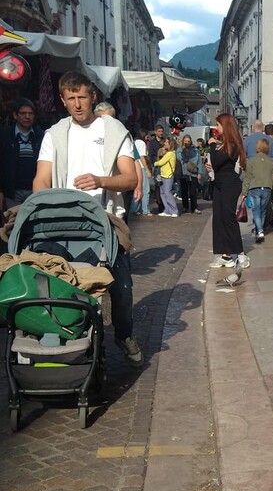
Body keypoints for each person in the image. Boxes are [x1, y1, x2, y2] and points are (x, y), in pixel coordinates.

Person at [32, 70, 144, 368]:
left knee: (121, 288)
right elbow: (41, 179)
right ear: (62, 100)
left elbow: (130, 178)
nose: (78, 104)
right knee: (73, 288)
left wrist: (100, 180)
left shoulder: (113, 130)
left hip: (107, 222)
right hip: (65, 224)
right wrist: (46, 202)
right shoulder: (54, 134)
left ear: (93, 96)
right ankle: (85, 344)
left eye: (82, 97)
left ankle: (124, 335)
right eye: (71, 99)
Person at [206, 113, 249, 269]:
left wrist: (212, 145)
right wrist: (209, 166)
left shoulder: (232, 144)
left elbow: (217, 160)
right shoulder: (223, 143)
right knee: (219, 219)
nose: (216, 128)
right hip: (219, 184)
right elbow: (216, 163)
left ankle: (241, 254)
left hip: (229, 185)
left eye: (218, 125)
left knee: (229, 218)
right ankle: (225, 255)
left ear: (225, 126)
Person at [94, 102, 143, 215]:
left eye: (109, 118)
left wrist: (139, 186)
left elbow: (136, 162)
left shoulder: (122, 137)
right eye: (102, 118)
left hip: (118, 189)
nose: (106, 121)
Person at [0, 98, 44, 211]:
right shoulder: (5, 135)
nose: (27, 116)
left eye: (30, 113)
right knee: (13, 219)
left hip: (35, 190)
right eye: (23, 113)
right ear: (15, 115)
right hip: (13, 191)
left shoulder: (41, 136)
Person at [241, 137, 273, 242]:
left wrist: (244, 192)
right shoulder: (271, 162)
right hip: (267, 189)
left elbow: (247, 178)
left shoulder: (251, 161)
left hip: (254, 188)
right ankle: (260, 230)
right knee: (262, 211)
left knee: (256, 210)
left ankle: (259, 231)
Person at [154, 136, 179, 217]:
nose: (165, 143)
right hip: (163, 175)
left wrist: (154, 163)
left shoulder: (170, 154)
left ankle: (174, 210)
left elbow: (161, 162)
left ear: (170, 144)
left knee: (167, 193)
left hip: (168, 176)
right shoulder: (168, 153)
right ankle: (167, 210)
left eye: (167, 142)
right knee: (162, 193)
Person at [178, 134, 203, 213]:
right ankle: (185, 206)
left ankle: (194, 207)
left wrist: (200, 173)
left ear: (191, 141)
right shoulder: (180, 150)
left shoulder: (195, 150)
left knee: (193, 191)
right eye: (185, 141)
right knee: (184, 191)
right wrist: (180, 148)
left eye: (188, 141)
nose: (187, 142)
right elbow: (177, 158)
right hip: (183, 172)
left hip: (193, 172)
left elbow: (199, 162)